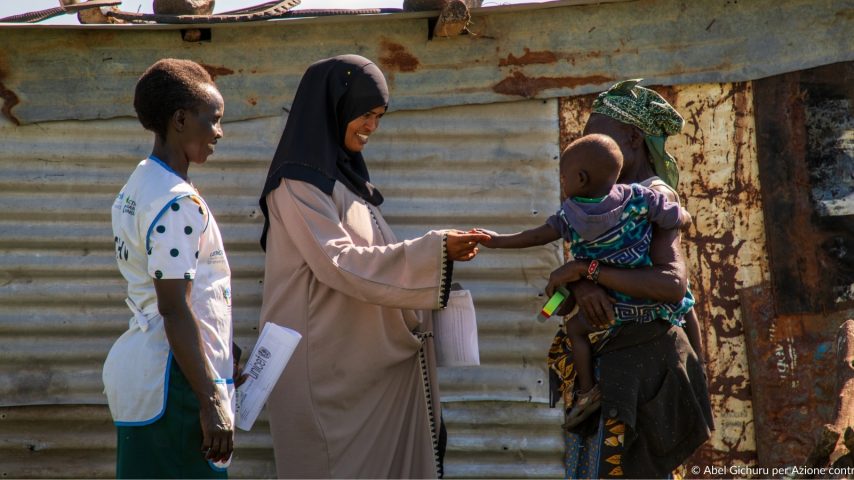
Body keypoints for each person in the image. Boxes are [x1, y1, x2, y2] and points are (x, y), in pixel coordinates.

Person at [257, 54, 490, 479]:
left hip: (363, 375)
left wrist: (437, 255)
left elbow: (370, 260)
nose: (372, 127)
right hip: (328, 383)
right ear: (335, 107)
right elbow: (340, 263)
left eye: (379, 117)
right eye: (365, 114)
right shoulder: (297, 185)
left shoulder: (346, 185)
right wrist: (435, 250)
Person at [542, 80, 713, 478]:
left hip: (644, 371)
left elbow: (671, 284)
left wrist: (588, 273)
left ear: (633, 138)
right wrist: (581, 284)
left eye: (600, 138)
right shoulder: (603, 202)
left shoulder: (653, 199)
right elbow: (575, 282)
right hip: (613, 372)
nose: (592, 148)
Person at [475, 133, 696, 429]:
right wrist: (679, 219)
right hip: (646, 306)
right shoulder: (641, 198)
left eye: (563, 178)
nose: (562, 185)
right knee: (568, 293)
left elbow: (537, 236)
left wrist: (498, 241)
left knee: (574, 328)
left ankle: (587, 390)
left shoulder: (570, 216)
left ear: (579, 178)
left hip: (615, 310)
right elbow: (680, 218)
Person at [102, 58, 240, 478]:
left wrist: (222, 355)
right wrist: (211, 399)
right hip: (176, 386)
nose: (219, 132)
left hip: (154, 379)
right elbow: (174, 308)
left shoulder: (141, 183)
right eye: (212, 120)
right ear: (180, 119)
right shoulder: (176, 201)